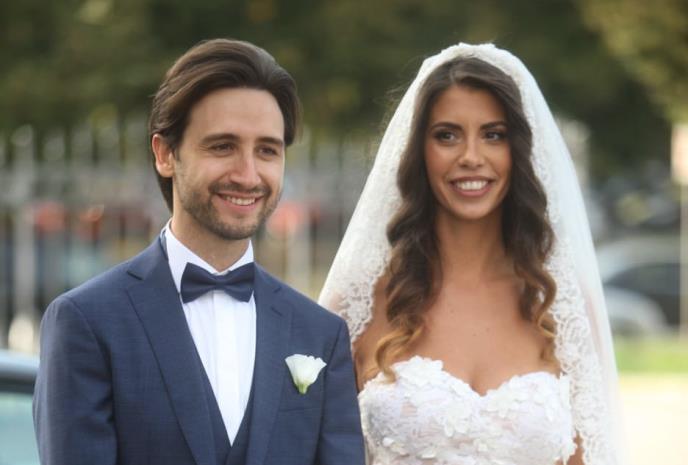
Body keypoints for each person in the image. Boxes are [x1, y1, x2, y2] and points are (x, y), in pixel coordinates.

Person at [33, 38, 365, 465]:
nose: (248, 175)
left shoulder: (321, 334)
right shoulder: (87, 322)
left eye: (267, 150)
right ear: (165, 154)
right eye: (222, 146)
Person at [319, 43, 623, 465]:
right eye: (447, 135)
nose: (471, 158)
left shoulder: (561, 307)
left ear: (519, 150)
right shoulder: (359, 304)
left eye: (493, 135)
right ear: (418, 150)